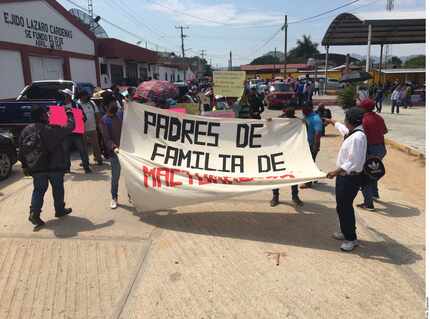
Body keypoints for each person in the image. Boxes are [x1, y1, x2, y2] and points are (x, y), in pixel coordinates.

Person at [18, 105, 75, 230]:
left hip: (37, 167)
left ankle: (34, 213)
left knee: (38, 190)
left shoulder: (26, 130)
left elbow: (21, 151)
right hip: (55, 166)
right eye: (46, 113)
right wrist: (69, 114)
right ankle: (59, 210)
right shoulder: (52, 128)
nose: (48, 115)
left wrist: (24, 166)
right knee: (58, 188)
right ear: (42, 116)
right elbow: (70, 127)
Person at [326, 107, 367, 252]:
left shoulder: (357, 137)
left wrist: (334, 172)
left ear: (350, 121)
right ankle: (345, 231)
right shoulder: (354, 132)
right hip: (345, 177)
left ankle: (351, 239)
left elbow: (352, 162)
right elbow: (342, 129)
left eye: (345, 119)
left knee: (345, 208)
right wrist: (331, 121)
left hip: (349, 178)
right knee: (341, 206)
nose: (344, 122)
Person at [269, 107, 304, 207]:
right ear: (284, 112)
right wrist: (269, 122)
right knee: (277, 176)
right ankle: (275, 196)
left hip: (292, 153)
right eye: (288, 114)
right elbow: (270, 129)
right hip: (279, 152)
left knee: (293, 175)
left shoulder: (297, 121)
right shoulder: (278, 120)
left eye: (291, 114)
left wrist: (304, 123)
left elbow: (304, 131)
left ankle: (295, 196)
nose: (289, 116)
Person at [357, 98, 387, 211]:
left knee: (366, 176)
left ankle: (368, 204)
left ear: (364, 108)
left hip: (370, 149)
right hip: (381, 149)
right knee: (374, 171)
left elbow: (361, 136)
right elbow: (384, 131)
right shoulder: (379, 117)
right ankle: (374, 193)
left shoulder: (364, 120)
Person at [60, 89, 92, 174]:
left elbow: (84, 118)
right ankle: (67, 168)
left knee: (82, 150)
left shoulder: (76, 105)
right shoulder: (60, 105)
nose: (64, 96)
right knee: (65, 151)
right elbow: (57, 120)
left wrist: (77, 121)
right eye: (63, 95)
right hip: (65, 133)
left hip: (76, 133)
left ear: (69, 96)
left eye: (65, 95)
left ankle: (86, 167)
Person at [100, 97, 123, 209]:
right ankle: (114, 197)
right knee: (115, 177)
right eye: (112, 104)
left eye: (115, 103)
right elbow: (106, 138)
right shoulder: (104, 120)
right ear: (106, 107)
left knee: (130, 177)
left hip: (127, 151)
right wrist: (114, 147)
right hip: (115, 153)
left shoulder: (120, 115)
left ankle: (131, 196)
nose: (115, 105)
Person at [77, 90, 103, 165]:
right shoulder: (77, 104)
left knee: (96, 145)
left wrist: (99, 124)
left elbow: (97, 114)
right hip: (82, 129)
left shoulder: (91, 103)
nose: (87, 97)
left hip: (93, 128)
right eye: (85, 96)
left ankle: (99, 159)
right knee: (84, 146)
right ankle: (85, 161)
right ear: (81, 96)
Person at [301, 102, 323, 188]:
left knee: (309, 163)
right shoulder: (307, 117)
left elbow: (318, 134)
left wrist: (315, 147)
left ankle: (308, 183)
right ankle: (314, 175)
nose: (302, 111)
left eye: (304, 109)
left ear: (309, 109)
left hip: (312, 145)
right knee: (309, 162)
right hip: (306, 144)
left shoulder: (316, 119)